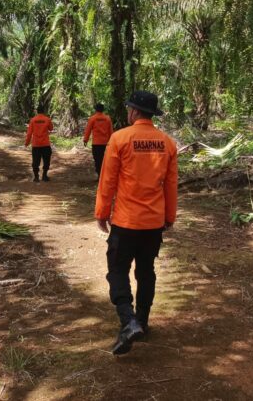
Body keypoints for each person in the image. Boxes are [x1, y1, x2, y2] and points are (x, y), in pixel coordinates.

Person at [94, 90, 177, 355]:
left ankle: (128, 321)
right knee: (146, 270)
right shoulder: (167, 143)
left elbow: (108, 180)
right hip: (153, 223)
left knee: (117, 270)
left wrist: (101, 213)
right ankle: (142, 320)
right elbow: (171, 186)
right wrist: (169, 217)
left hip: (126, 221)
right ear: (152, 114)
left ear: (133, 112)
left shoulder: (120, 139)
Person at [83, 103, 113, 177]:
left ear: (95, 109)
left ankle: (100, 175)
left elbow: (88, 130)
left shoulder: (92, 118)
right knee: (104, 159)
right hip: (105, 143)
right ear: (103, 109)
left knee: (97, 160)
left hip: (96, 143)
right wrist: (112, 141)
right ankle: (104, 175)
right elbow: (111, 131)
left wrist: (85, 140)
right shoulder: (107, 118)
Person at [25, 105, 54, 182]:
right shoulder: (47, 119)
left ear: (37, 111)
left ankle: (36, 177)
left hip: (36, 145)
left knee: (35, 161)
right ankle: (44, 176)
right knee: (46, 160)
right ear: (43, 111)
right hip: (45, 144)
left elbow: (29, 133)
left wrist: (27, 143)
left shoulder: (33, 120)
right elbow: (51, 128)